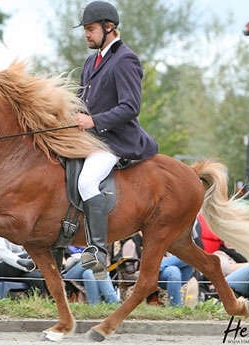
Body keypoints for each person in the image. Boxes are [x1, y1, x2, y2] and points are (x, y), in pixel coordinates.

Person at [73, 1, 159, 279]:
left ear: (109, 27)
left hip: (116, 140)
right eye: (86, 30)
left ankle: (97, 250)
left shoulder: (125, 59)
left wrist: (93, 121)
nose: (87, 35)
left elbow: (130, 106)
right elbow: (81, 100)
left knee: (86, 181)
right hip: (91, 138)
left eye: (91, 29)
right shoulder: (91, 61)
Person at [0, 202, 48, 296]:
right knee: (34, 258)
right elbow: (3, 254)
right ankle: (53, 270)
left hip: (18, 266)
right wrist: (26, 264)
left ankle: (43, 305)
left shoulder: (19, 227)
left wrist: (29, 265)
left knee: (36, 277)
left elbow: (24, 248)